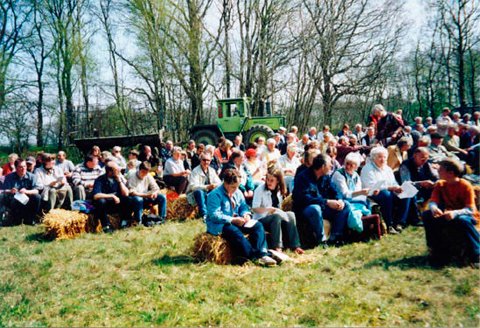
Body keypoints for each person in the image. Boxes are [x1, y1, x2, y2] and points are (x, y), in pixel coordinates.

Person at [206, 169, 277, 266]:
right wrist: (232, 220)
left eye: (237, 186)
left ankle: (262, 254)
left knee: (258, 225)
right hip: (220, 225)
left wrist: (246, 214)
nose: (236, 189)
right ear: (225, 183)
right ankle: (253, 256)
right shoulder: (214, 195)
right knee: (234, 232)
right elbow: (214, 215)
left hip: (238, 220)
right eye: (233, 187)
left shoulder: (237, 192)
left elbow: (243, 206)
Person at [422, 159, 479, 266]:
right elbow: (433, 201)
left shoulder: (465, 186)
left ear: (451, 173)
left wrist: (455, 213)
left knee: (462, 220)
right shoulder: (441, 185)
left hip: (466, 215)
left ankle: (476, 254)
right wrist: (434, 208)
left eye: (441, 170)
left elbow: (470, 209)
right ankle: (435, 250)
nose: (438, 171)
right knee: (427, 214)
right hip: (448, 214)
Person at [293, 154, 353, 246]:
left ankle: (335, 237)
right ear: (323, 166)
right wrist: (327, 202)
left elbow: (335, 190)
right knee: (315, 208)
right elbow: (305, 199)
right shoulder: (303, 177)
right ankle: (321, 240)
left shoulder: (325, 176)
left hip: (323, 207)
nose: (331, 167)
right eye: (330, 165)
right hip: (306, 209)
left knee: (346, 205)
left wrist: (339, 200)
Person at [252, 167, 304, 254]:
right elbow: (255, 209)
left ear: (278, 181)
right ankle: (277, 247)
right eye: (267, 179)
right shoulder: (259, 190)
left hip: (274, 216)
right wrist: (267, 210)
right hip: (261, 218)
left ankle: (295, 245)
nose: (269, 182)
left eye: (272, 180)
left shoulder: (279, 191)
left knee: (291, 214)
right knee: (276, 217)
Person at [361, 147, 411, 234]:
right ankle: (389, 225)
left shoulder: (387, 169)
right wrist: (389, 188)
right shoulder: (367, 169)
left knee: (406, 193)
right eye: (380, 157)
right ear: (374, 158)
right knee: (386, 195)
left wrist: (398, 187)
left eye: (384, 157)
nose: (382, 159)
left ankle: (399, 222)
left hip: (389, 191)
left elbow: (393, 182)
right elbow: (371, 186)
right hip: (372, 193)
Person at [93, 162, 132, 231]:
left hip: (117, 204)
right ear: (110, 172)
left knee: (128, 199)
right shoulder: (100, 179)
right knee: (101, 201)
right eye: (117, 170)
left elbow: (126, 193)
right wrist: (112, 196)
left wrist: (120, 181)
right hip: (106, 205)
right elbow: (96, 195)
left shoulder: (118, 178)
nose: (119, 171)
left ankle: (124, 223)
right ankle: (106, 226)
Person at [1, 158, 41, 225]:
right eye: (21, 167)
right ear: (16, 168)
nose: (23, 169)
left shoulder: (32, 176)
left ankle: (31, 220)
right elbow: (4, 190)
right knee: (2, 196)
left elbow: (36, 190)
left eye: (25, 166)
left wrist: (26, 191)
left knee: (37, 197)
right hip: (14, 200)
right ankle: (13, 220)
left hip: (28, 200)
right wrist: (11, 191)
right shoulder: (9, 176)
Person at [127, 161, 167, 225]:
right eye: (143, 172)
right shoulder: (132, 176)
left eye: (146, 172)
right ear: (139, 169)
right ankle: (138, 221)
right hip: (135, 199)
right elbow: (132, 192)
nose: (144, 174)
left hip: (146, 197)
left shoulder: (148, 175)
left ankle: (161, 218)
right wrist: (145, 195)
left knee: (162, 197)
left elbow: (156, 188)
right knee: (138, 199)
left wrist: (154, 193)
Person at [186, 153, 221, 221]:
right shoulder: (195, 171)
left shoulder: (211, 170)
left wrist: (214, 185)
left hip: (209, 192)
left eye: (208, 160)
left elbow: (219, 182)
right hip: (196, 194)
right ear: (200, 160)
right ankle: (204, 215)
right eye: (204, 160)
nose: (206, 162)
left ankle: (215, 212)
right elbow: (193, 186)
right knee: (199, 192)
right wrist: (207, 187)